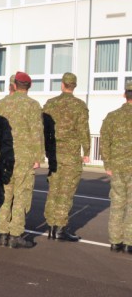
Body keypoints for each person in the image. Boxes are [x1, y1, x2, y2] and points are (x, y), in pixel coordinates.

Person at [0, 71, 44, 249]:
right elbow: (37, 132)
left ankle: (3, 232)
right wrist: (38, 157)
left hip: (4, 156)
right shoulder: (33, 105)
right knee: (21, 196)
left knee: (5, 194)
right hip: (24, 157)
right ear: (29, 86)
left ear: (14, 85)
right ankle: (15, 234)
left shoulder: (1, 104)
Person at [41, 73, 89, 242]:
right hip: (70, 155)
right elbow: (83, 130)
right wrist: (87, 151)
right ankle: (60, 228)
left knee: (53, 190)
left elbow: (44, 129)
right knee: (66, 192)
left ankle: (51, 226)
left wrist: (46, 149)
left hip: (54, 153)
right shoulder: (79, 106)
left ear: (62, 85)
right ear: (74, 86)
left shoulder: (50, 104)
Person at [100, 81, 132, 253]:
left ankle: (115, 241)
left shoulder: (112, 116)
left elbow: (104, 142)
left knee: (117, 203)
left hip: (118, 167)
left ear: (124, 95)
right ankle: (128, 242)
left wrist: (108, 164)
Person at [0, 74, 16, 222]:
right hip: (20, 155)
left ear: (9, 86)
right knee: (18, 192)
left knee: (1, 189)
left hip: (2, 153)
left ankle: (0, 222)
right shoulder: (30, 105)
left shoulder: (0, 105)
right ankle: (12, 223)